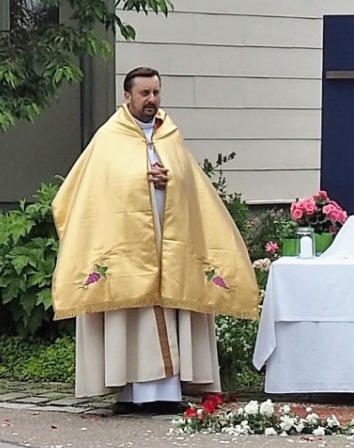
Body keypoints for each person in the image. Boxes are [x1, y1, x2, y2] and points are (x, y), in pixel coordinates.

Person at [49, 68, 261, 412]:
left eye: (156, 93)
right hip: (127, 249)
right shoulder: (109, 138)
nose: (152, 100)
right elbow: (88, 190)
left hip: (169, 245)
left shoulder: (170, 136)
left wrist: (169, 182)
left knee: (169, 311)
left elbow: (192, 186)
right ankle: (129, 394)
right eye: (145, 93)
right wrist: (139, 181)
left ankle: (167, 393)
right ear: (127, 96)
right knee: (128, 320)